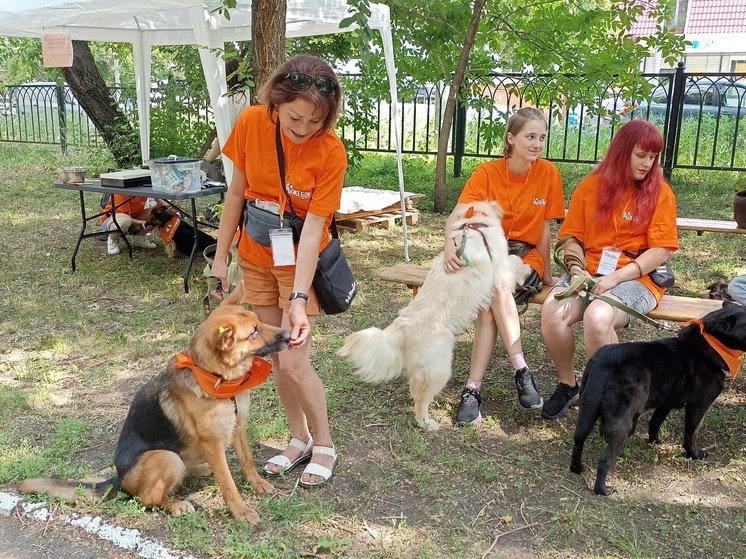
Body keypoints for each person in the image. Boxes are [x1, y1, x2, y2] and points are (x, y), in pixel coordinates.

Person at [209, 55, 346, 489]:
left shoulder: (331, 151)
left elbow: (313, 232)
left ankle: (324, 444)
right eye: (295, 117)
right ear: (275, 101)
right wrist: (220, 254)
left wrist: (301, 300)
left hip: (299, 263)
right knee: (273, 357)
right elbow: (235, 193)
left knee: (294, 360)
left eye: (315, 121)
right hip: (255, 255)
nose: (303, 128)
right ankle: (298, 437)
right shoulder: (251, 122)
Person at [540, 119, 679, 420]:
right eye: (640, 155)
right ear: (621, 152)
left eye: (653, 156)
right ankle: (569, 386)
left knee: (598, 316)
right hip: (589, 271)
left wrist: (615, 277)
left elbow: (662, 250)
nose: (647, 163)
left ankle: (614, 399)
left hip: (637, 276)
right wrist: (577, 270)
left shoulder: (660, 193)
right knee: (552, 313)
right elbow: (570, 236)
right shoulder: (591, 186)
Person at [443, 107, 565, 425]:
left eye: (541, 137)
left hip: (526, 257)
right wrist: (448, 247)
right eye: (530, 137)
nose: (537, 144)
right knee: (489, 300)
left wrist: (548, 275)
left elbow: (543, 231)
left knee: (495, 285)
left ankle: (473, 390)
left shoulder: (549, 174)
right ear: (511, 139)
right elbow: (457, 217)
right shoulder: (486, 173)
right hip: (490, 252)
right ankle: (520, 370)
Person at [201, 56, 250, 182]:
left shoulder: (231, 101)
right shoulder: (255, 96)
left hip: (239, 157)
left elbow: (222, 138)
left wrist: (206, 162)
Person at [101, 195, 172, 255]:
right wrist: (141, 222)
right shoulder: (121, 193)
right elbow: (126, 217)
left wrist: (169, 207)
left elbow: (158, 198)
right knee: (124, 221)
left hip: (133, 217)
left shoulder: (143, 187)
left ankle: (139, 238)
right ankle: (112, 240)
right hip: (113, 219)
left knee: (156, 212)